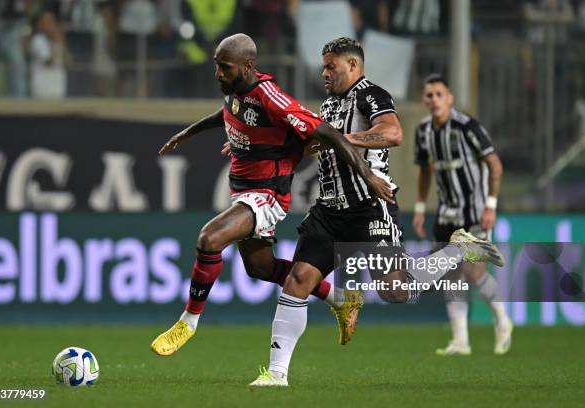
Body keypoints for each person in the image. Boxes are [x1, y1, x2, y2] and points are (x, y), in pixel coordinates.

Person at [249, 37, 505, 387]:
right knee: (298, 281)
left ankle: (458, 248)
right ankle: (277, 374)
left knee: (394, 290)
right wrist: (262, 147)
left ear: (352, 66)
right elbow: (311, 144)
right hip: (329, 211)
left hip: (370, 208)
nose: (324, 73)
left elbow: (393, 133)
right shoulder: (329, 105)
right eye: (323, 66)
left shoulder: (372, 95)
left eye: (331, 67)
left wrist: (343, 139)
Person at [150, 33, 395, 357]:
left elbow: (325, 132)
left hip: (267, 195)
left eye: (224, 67)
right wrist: (188, 133)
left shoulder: (271, 97)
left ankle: (188, 323)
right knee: (260, 269)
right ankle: (340, 297)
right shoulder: (235, 90)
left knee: (209, 239)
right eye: (217, 66)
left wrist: (366, 175)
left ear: (248, 66)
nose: (218, 74)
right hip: (244, 192)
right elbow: (226, 112)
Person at [412, 73, 513, 356]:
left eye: (439, 94)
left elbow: (495, 165)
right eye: (429, 95)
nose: (434, 100)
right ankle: (461, 340)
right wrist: (420, 207)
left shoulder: (467, 127)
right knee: (450, 273)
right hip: (446, 212)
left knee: (473, 270)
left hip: (476, 211)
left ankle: (502, 320)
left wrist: (491, 205)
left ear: (450, 97)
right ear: (424, 99)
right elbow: (424, 170)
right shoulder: (423, 132)